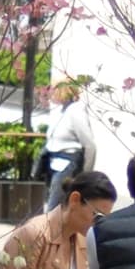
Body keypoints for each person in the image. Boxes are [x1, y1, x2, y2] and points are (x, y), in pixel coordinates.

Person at [42, 80, 95, 210]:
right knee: (55, 207)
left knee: (54, 209)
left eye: (52, 88)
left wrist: (85, 174)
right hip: (54, 163)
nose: (49, 92)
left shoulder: (76, 111)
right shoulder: (61, 110)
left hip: (68, 164)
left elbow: (90, 145)